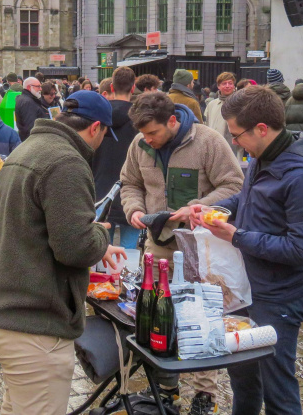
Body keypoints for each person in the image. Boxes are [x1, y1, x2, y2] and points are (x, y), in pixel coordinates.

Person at [0, 91, 125, 414]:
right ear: (95, 128)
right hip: (32, 321)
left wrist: (97, 243)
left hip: (6, 308)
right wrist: (96, 233)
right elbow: (75, 247)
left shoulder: (30, 147)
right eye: (102, 136)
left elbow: (35, 227)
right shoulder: (66, 161)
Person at [188, 85, 303, 415]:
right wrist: (212, 208)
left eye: (237, 135)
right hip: (245, 289)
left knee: (277, 386)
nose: (234, 142)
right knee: (242, 376)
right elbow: (247, 199)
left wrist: (236, 236)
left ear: (262, 129)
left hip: (278, 297)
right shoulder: (262, 156)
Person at [120, 91, 244, 411]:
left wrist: (198, 208)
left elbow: (233, 185)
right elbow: (130, 183)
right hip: (157, 245)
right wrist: (133, 208)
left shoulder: (208, 141)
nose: (147, 139)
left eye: (153, 133)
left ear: (172, 121)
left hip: (199, 247)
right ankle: (166, 386)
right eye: (143, 134)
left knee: (201, 318)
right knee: (161, 315)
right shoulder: (140, 145)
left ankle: (206, 395)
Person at [92, 67, 140, 251]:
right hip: (132, 192)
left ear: (111, 87)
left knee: (103, 251)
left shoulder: (98, 117)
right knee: (128, 253)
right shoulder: (140, 119)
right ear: (133, 88)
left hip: (101, 189)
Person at [204, 72, 243, 158]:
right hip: (214, 149)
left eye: (230, 83)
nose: (227, 86)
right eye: (224, 83)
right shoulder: (212, 105)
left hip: (235, 149)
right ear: (218, 86)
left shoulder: (241, 104)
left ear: (234, 85)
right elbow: (206, 125)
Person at [14, 77, 49, 141]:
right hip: (33, 141)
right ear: (29, 87)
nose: (40, 89)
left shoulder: (28, 99)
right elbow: (30, 127)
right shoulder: (28, 102)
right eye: (38, 87)